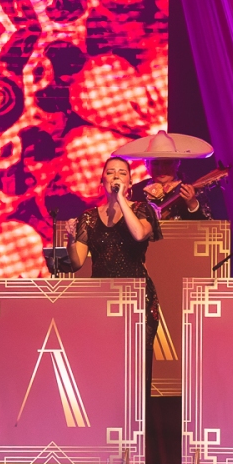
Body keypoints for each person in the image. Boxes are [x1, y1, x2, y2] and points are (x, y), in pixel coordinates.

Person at [66, 154, 161, 361]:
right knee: (103, 362)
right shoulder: (89, 217)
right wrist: (71, 240)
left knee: (136, 363)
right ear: (102, 181)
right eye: (110, 173)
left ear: (130, 182)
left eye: (121, 173)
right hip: (101, 297)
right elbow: (76, 263)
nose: (115, 176)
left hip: (137, 296)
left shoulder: (143, 210)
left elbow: (138, 234)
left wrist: (121, 200)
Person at [116, 130, 217, 220]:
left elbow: (206, 227)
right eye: (155, 164)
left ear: (177, 163)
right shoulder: (137, 191)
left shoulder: (191, 189)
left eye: (167, 163)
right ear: (147, 165)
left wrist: (193, 204)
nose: (161, 169)